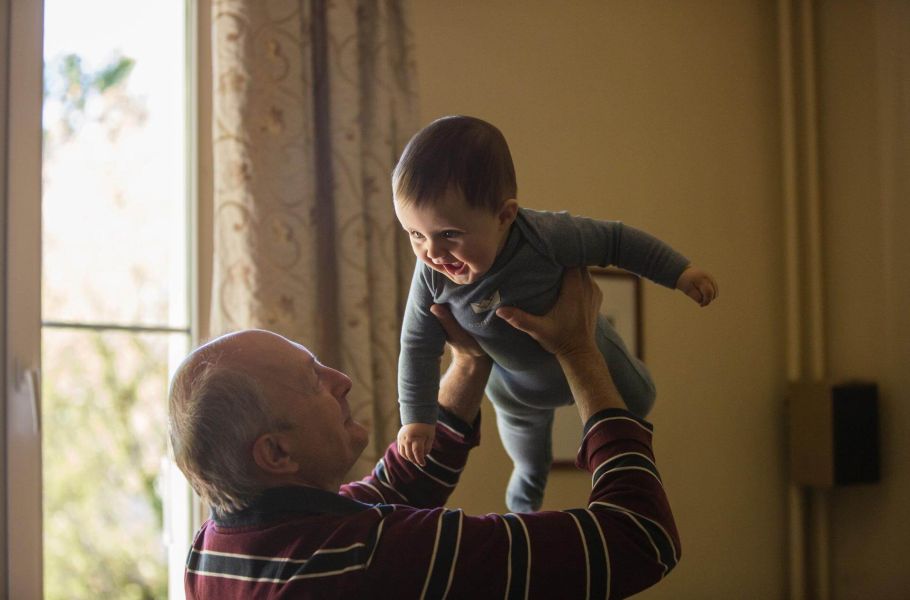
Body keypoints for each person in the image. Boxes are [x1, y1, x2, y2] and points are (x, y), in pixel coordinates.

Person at [169, 268, 680, 599]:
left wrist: (469, 360)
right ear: (276, 452)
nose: (341, 381)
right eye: (313, 381)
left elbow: (393, 489)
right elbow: (638, 538)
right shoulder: (373, 559)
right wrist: (579, 351)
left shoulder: (214, 549)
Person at [394, 115, 718, 512]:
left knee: (641, 400)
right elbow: (417, 346)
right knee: (529, 462)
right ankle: (523, 512)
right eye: (414, 234)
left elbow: (616, 241)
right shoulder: (430, 276)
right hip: (516, 390)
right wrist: (417, 418)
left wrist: (680, 272)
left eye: (449, 234)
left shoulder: (546, 236)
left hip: (591, 350)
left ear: (504, 216)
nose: (432, 253)